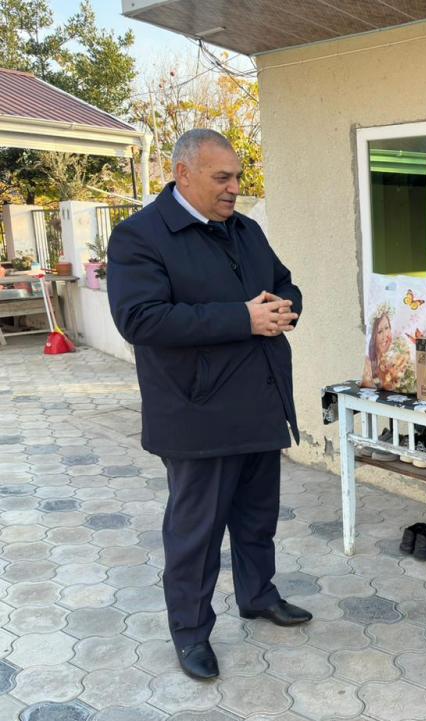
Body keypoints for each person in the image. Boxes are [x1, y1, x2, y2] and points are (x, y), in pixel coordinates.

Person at [108, 129, 312, 680]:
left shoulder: (245, 230)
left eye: (238, 177)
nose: (234, 188)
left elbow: (284, 284)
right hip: (196, 413)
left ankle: (258, 595)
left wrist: (285, 306)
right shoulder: (140, 236)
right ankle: (191, 633)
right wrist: (244, 318)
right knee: (195, 535)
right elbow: (140, 319)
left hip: (259, 402)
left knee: (257, 517)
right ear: (183, 174)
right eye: (222, 178)